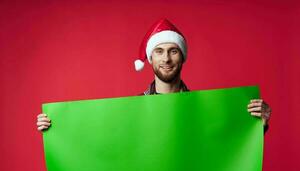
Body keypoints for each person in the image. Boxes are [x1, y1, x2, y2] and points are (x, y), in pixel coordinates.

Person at [36, 18, 271, 132]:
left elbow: (226, 142)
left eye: (173, 51)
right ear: (150, 58)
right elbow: (102, 139)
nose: (166, 59)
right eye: (159, 51)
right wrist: (57, 126)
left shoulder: (204, 109)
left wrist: (259, 125)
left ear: (183, 56)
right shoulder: (134, 110)